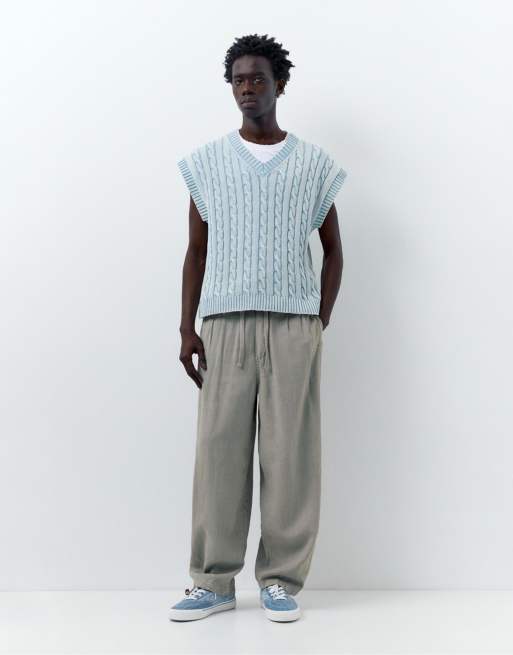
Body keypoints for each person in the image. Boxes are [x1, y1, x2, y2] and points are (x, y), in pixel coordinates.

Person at [170, 33, 347, 623]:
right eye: (238, 80)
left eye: (258, 79)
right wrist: (186, 327)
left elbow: (334, 250)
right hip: (223, 325)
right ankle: (213, 581)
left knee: (290, 456)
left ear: (280, 84)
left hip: (294, 326)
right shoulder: (207, 164)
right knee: (218, 453)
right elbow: (196, 252)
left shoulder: (314, 165)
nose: (247, 89)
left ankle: (280, 580)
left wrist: (318, 320)